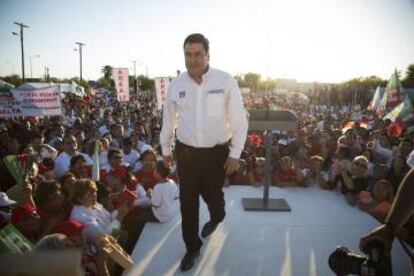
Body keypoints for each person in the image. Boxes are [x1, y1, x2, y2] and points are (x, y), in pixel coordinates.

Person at [160, 33, 248, 271]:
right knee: (188, 204)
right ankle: (192, 247)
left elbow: (240, 121)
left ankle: (217, 216)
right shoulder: (176, 85)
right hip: (186, 153)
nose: (193, 59)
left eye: (198, 54)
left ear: (208, 55)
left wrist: (235, 154)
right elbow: (168, 120)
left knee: (213, 197)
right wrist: (165, 148)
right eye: (188, 54)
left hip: (216, 154)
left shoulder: (225, 81)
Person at [359, 168, 414, 254]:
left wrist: (389, 226)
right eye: (378, 185)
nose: (380, 189)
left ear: (389, 193)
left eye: (384, 188)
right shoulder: (363, 195)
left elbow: (403, 232)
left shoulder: (392, 210)